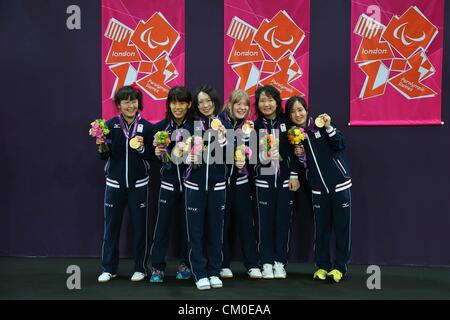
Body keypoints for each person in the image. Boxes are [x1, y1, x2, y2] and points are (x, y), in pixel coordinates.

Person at [285, 96, 351, 283]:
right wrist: (300, 155)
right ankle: (322, 266)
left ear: (307, 110)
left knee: (342, 228)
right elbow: (299, 164)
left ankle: (340, 268)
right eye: (293, 112)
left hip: (339, 185)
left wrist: (329, 127)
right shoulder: (295, 136)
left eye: (300, 110)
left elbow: (340, 144)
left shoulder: (322, 126)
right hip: (317, 189)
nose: (297, 114)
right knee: (321, 229)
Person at [95, 84, 154, 283]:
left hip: (139, 185)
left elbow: (152, 157)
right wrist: (101, 143)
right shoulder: (110, 126)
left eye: (134, 101)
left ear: (139, 103)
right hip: (114, 185)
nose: (130, 105)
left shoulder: (147, 127)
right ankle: (108, 268)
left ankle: (141, 267)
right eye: (126, 101)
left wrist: (142, 148)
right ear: (119, 105)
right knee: (111, 227)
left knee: (140, 228)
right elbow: (104, 156)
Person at [183, 84, 230, 290]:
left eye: (208, 101)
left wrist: (222, 138)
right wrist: (186, 155)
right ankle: (199, 272)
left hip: (218, 184)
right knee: (196, 230)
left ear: (214, 102)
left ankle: (214, 271)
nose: (205, 105)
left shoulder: (225, 122)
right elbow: (178, 153)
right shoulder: (189, 123)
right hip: (194, 184)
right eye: (200, 101)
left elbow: (231, 155)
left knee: (215, 230)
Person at [253, 85, 300, 279]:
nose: (266, 104)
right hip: (263, 182)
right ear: (258, 104)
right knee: (264, 224)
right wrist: (260, 156)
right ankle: (266, 262)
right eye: (262, 100)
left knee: (282, 222)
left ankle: (280, 262)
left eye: (270, 100)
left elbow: (297, 152)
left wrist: (295, 175)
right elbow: (248, 156)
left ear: (277, 102)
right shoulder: (254, 126)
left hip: (285, 182)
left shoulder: (287, 123)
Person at [149, 86, 193, 283]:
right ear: (168, 104)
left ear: (189, 104)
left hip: (191, 185)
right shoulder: (160, 128)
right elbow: (153, 157)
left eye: (182, 103)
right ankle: (157, 266)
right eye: (174, 103)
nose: (177, 107)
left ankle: (187, 264)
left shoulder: (196, 127)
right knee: (162, 226)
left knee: (189, 226)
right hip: (168, 184)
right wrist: (158, 154)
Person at [220, 89, 262, 279]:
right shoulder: (219, 122)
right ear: (230, 104)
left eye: (246, 105)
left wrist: (246, 157)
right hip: (221, 183)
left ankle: (252, 264)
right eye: (238, 103)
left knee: (246, 223)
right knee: (223, 224)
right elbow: (212, 153)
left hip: (242, 182)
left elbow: (253, 158)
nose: (242, 107)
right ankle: (223, 263)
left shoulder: (249, 126)